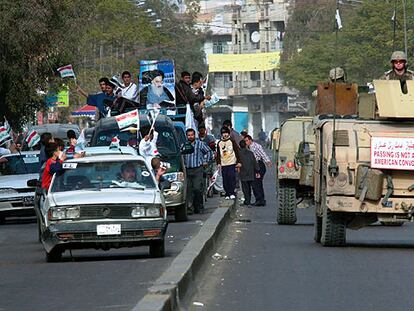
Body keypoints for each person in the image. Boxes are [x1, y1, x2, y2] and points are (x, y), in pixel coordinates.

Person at [183, 128, 213, 214]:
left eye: (192, 135)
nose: (190, 137)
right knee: (189, 190)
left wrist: (205, 161)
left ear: (194, 135)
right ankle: (189, 208)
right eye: (188, 135)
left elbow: (209, 152)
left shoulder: (200, 144)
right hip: (187, 170)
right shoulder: (184, 145)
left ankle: (199, 206)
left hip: (197, 169)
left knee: (197, 188)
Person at [244, 135, 272, 206]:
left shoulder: (256, 146)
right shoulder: (248, 147)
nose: (246, 142)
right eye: (245, 141)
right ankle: (260, 200)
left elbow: (263, 154)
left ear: (250, 140)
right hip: (254, 166)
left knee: (256, 183)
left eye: (246, 141)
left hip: (259, 166)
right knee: (256, 184)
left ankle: (260, 200)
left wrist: (267, 161)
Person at [216, 127, 241, 200]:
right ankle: (227, 193)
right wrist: (218, 163)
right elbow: (218, 154)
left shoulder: (232, 141)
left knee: (231, 178)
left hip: (231, 163)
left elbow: (237, 151)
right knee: (225, 179)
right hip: (224, 164)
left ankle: (232, 193)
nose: (225, 135)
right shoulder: (219, 143)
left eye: (226, 133)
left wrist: (239, 161)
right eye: (224, 133)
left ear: (229, 133)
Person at [239, 140, 260, 206]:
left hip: (243, 173)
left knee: (245, 188)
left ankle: (247, 201)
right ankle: (249, 201)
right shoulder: (250, 153)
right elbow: (254, 163)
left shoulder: (238, 153)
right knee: (249, 188)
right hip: (251, 173)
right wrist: (257, 171)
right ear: (245, 145)